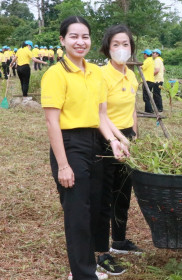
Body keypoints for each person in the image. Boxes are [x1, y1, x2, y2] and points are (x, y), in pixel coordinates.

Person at [41, 16, 129, 280]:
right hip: (70, 144)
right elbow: (51, 122)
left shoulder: (95, 73)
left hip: (96, 143)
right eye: (74, 37)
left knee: (96, 206)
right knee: (78, 212)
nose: (80, 42)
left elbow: (101, 115)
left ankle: (89, 265)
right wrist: (64, 164)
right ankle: (81, 275)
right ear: (62, 40)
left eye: (85, 37)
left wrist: (115, 140)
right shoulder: (55, 74)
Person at [99, 24, 143, 263]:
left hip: (128, 138)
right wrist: (117, 139)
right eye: (116, 44)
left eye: (125, 44)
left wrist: (134, 136)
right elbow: (100, 114)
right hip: (107, 138)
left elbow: (132, 110)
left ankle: (119, 241)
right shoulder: (101, 75)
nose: (121, 49)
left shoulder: (131, 74)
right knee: (105, 193)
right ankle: (101, 248)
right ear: (107, 48)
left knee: (123, 192)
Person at [141, 48, 155, 113]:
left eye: (144, 54)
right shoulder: (151, 60)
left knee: (146, 96)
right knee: (148, 96)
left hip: (147, 80)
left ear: (146, 54)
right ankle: (147, 109)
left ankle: (149, 110)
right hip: (151, 80)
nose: (143, 55)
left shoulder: (147, 61)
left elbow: (142, 67)